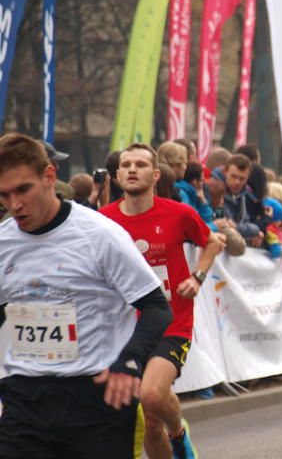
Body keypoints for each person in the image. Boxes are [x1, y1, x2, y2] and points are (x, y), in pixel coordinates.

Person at [0, 133, 172, 458]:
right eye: (4, 194)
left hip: (97, 396)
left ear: (49, 175)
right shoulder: (3, 242)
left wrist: (129, 361)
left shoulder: (100, 234)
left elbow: (156, 307)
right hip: (25, 398)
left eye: (23, 189)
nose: (14, 204)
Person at [100, 143, 226, 459]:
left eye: (141, 164)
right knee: (150, 425)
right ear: (117, 176)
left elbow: (213, 242)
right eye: (126, 165)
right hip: (125, 329)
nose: (132, 169)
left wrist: (197, 277)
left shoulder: (179, 213)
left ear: (156, 175)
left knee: (152, 395)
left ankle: (179, 434)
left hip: (171, 322)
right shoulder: (103, 221)